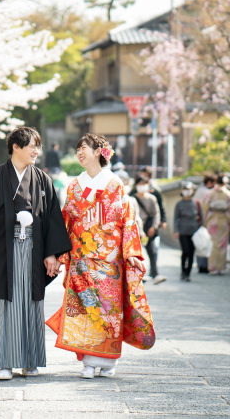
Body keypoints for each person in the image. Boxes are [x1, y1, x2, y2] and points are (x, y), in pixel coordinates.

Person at [0, 127, 71, 380]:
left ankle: (30, 361)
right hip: (2, 250)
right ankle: (5, 362)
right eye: (32, 146)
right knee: (5, 303)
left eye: (38, 146)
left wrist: (52, 254)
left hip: (34, 249)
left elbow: (52, 218)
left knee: (32, 303)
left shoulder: (43, 180)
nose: (36, 151)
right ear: (15, 147)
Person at [47, 134, 155, 379]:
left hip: (109, 260)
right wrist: (59, 253)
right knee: (85, 309)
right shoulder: (75, 185)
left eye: (84, 147)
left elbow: (127, 220)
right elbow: (66, 220)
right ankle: (88, 362)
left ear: (99, 151)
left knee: (108, 311)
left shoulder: (114, 183)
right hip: (81, 258)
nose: (79, 152)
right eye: (78, 148)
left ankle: (107, 361)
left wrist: (131, 252)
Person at [133, 174, 165, 285]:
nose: (142, 186)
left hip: (149, 227)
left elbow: (156, 214)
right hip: (136, 228)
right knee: (137, 253)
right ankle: (139, 275)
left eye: (144, 184)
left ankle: (155, 273)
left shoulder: (152, 198)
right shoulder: (132, 199)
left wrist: (154, 227)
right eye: (140, 184)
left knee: (152, 251)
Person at [202, 173, 230, 274]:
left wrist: (206, 220)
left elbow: (204, 207)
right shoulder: (228, 194)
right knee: (223, 245)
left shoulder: (210, 193)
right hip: (224, 221)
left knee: (213, 244)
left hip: (212, 221)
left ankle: (213, 268)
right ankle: (221, 268)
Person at [173, 181, 202, 281]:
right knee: (185, 251)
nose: (187, 191)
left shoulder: (196, 203)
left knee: (191, 252)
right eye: (185, 189)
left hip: (194, 231)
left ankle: (188, 273)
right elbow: (175, 218)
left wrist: (201, 230)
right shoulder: (179, 204)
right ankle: (183, 270)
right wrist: (176, 230)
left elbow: (201, 217)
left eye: (189, 189)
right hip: (182, 231)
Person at [193, 174, 216, 273]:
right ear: (209, 183)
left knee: (199, 242)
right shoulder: (208, 192)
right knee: (206, 243)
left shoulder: (199, 190)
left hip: (197, 220)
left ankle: (201, 265)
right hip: (206, 220)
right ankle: (206, 265)